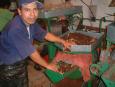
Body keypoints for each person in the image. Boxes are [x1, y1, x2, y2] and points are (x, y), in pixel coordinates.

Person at [0, 0, 74, 87]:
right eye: (27, 10)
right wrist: (48, 65)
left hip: (19, 60)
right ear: (20, 11)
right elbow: (32, 53)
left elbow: (45, 34)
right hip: (7, 66)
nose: (32, 14)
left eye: (35, 9)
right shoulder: (16, 29)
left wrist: (63, 41)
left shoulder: (30, 22)